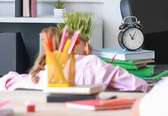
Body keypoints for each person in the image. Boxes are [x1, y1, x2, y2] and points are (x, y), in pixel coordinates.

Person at [0, 27, 148, 92]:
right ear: (85, 48)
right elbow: (140, 86)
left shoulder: (35, 78)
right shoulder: (96, 65)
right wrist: (107, 88)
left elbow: (5, 83)